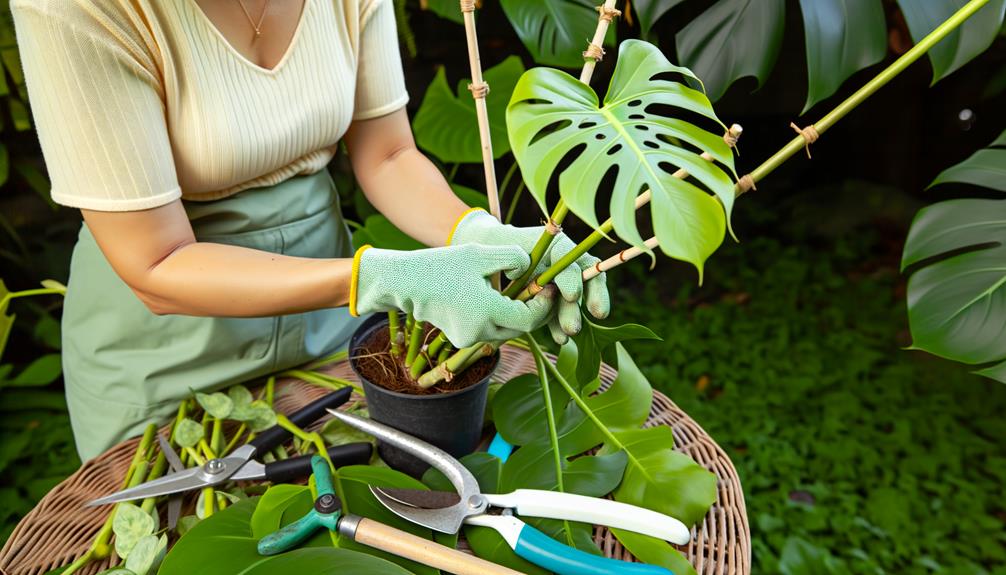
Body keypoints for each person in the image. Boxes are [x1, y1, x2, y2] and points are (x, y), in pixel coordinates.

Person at [10, 0, 609, 462]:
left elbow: (388, 155)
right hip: (167, 341)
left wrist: (477, 232)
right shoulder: (79, 9)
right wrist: (379, 276)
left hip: (327, 319)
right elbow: (156, 265)